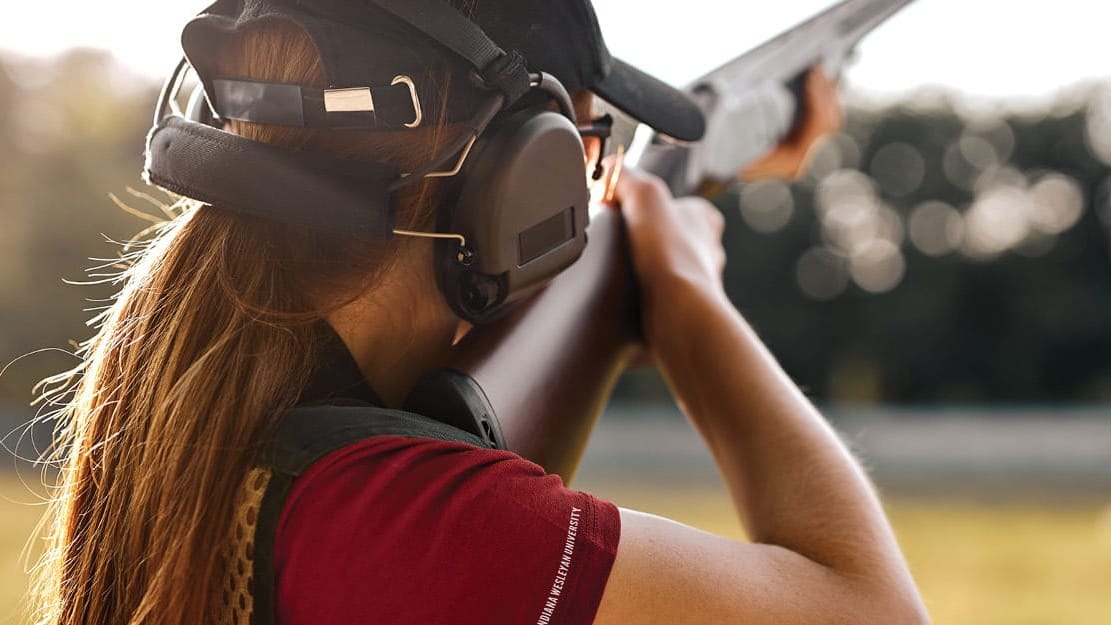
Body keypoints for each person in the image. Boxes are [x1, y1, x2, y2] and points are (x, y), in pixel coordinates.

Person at [30, 1, 928, 625]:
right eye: (580, 158)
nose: (585, 200)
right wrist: (691, 307)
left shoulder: (186, 409)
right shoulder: (390, 516)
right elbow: (871, 611)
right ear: (519, 175)